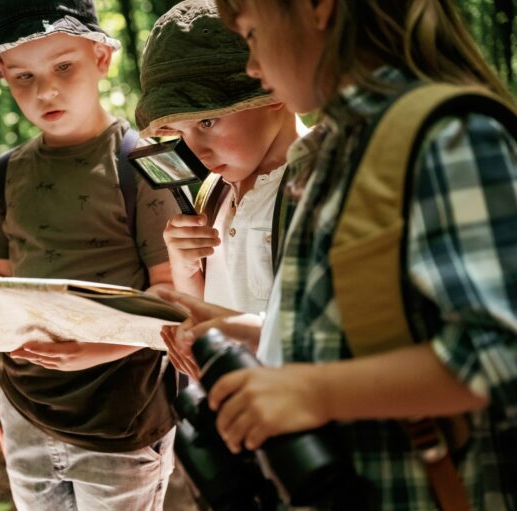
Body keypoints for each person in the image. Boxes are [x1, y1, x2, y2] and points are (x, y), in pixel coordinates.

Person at [163, 0, 517, 508]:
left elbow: (499, 354)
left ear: (316, 8)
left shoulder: (450, 137)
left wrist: (312, 393)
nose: (252, 67)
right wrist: (254, 333)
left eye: (253, 34)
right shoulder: (336, 153)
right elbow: (378, 337)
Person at [0, 0, 181, 509]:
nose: (45, 90)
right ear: (2, 74)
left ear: (102, 57)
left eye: (64, 66)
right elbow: (1, 283)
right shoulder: (5, 171)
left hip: (120, 415)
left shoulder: (155, 160)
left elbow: (176, 297)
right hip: (25, 411)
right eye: (23, 76)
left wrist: (95, 349)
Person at [135, 0, 305, 379]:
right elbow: (204, 301)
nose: (195, 150)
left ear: (270, 88)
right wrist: (185, 264)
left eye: (208, 121)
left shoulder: (314, 185)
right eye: (179, 132)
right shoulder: (212, 192)